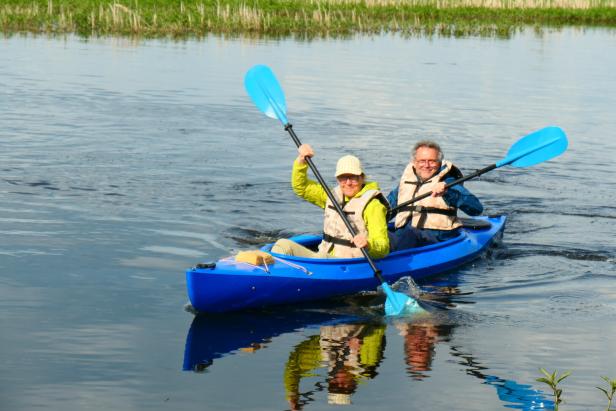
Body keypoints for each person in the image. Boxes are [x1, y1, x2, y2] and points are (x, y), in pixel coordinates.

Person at [272, 144, 389, 259]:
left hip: (350, 263)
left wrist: (368, 244)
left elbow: (383, 248)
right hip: (325, 258)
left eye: (353, 177)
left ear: (362, 177)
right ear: (337, 179)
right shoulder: (332, 197)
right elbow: (301, 187)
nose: (348, 183)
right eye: (343, 177)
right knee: (283, 245)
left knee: (322, 257)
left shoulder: (373, 206)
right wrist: (302, 161)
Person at [387, 140, 483, 251]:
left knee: (410, 233)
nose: (426, 165)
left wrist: (447, 192)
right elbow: (386, 210)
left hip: (437, 239)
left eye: (432, 161)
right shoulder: (405, 184)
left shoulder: (449, 182)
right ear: (414, 162)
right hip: (404, 236)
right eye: (422, 161)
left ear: (439, 162)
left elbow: (476, 209)